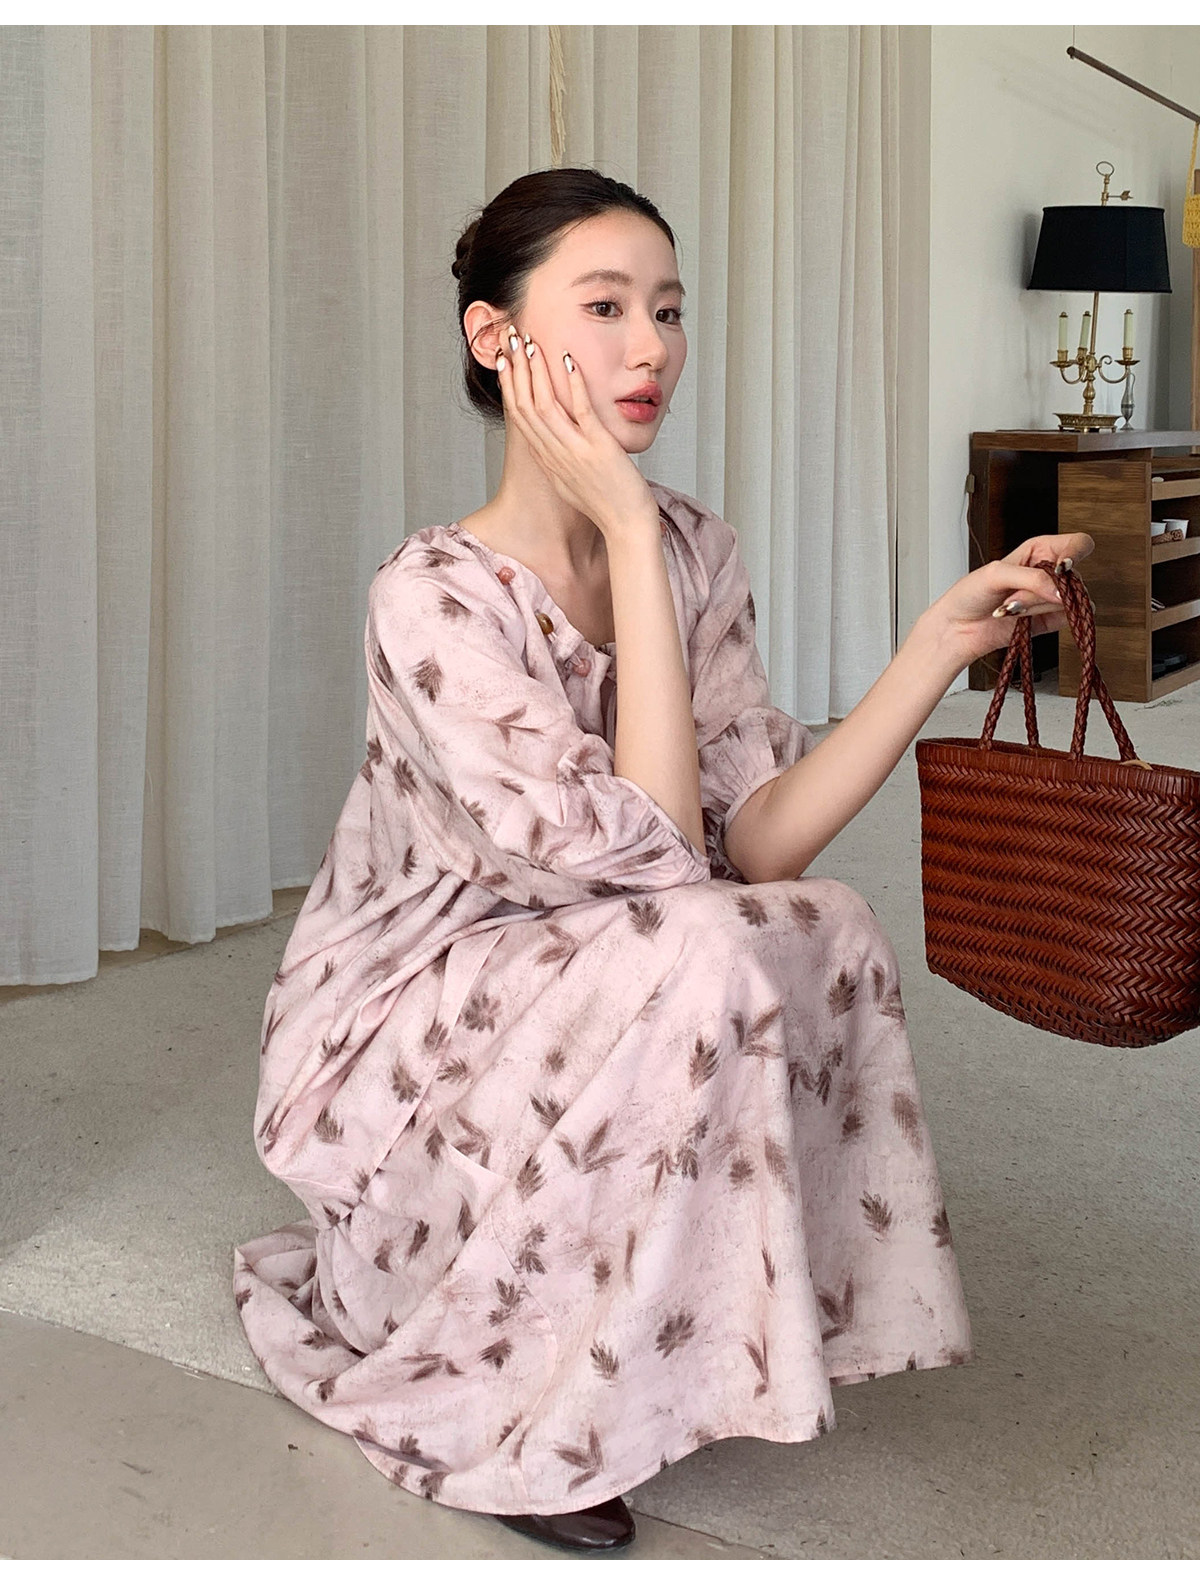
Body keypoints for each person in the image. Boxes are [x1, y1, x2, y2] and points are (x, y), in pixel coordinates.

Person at [233, 167, 1092, 1556]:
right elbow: (646, 871)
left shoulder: (699, 550)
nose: (651, 348)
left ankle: (698, 1327)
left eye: (671, 310)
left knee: (824, 918)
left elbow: (752, 838)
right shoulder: (432, 595)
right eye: (607, 307)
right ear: (495, 337)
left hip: (605, 960)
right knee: (698, 941)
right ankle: (536, 1410)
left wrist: (937, 646)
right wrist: (627, 528)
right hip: (413, 1022)